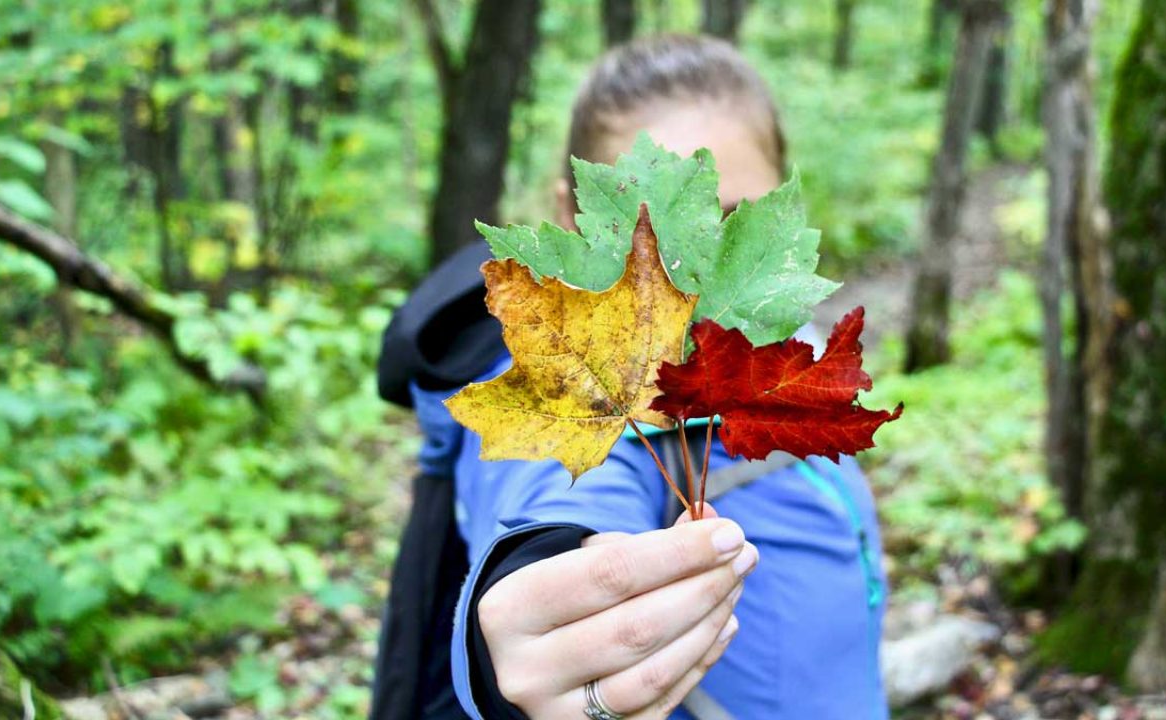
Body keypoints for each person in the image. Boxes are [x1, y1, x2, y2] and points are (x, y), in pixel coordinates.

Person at [374, 35, 888, 720]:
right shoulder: (571, 381)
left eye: (732, 221)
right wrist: (536, 611)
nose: (695, 284)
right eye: (656, 237)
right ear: (571, 217)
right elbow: (553, 500)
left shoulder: (791, 372)